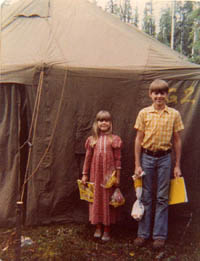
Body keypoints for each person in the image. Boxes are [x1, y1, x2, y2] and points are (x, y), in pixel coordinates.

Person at [133, 79, 184, 249]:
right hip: (147, 158)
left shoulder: (174, 114)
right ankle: (142, 234)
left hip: (165, 159)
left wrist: (177, 165)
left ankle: (159, 236)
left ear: (167, 95)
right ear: (150, 95)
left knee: (162, 197)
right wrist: (137, 164)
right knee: (145, 196)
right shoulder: (144, 113)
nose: (159, 96)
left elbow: (177, 141)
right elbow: (138, 139)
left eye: (162, 93)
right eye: (156, 93)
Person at [81, 110, 122, 241]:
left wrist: (118, 177)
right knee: (96, 199)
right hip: (95, 175)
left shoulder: (114, 139)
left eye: (107, 120)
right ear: (96, 123)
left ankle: (107, 229)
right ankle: (98, 226)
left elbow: (118, 160)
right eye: (101, 120)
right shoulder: (92, 140)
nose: (104, 123)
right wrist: (85, 174)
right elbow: (87, 159)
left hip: (109, 176)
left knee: (107, 200)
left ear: (110, 123)